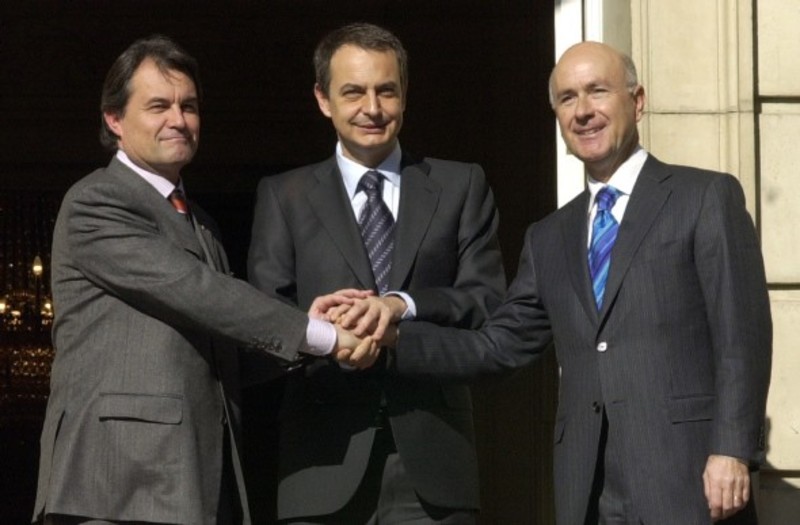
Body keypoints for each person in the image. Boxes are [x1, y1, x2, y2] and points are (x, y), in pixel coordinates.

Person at [335, 41, 772, 524]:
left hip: (688, 479)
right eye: (567, 98)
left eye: (597, 91)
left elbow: (742, 336)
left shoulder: (703, 197)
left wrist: (732, 449)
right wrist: (395, 335)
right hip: (588, 489)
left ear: (637, 101)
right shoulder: (549, 237)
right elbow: (497, 347)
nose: (582, 111)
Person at [33, 35, 370, 525]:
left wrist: (310, 331)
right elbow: (199, 292)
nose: (178, 119)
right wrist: (322, 335)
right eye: (158, 106)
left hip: (196, 477)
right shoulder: (97, 202)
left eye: (188, 106)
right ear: (114, 119)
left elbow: (221, 345)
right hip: (117, 483)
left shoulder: (201, 222)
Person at [246, 22, 506, 524]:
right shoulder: (283, 196)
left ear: (404, 95)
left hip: (434, 462)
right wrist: (319, 333)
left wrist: (401, 306)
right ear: (323, 99)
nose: (372, 107)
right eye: (353, 92)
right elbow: (261, 324)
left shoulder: (460, 185)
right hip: (321, 463)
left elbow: (486, 300)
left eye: (386, 90)